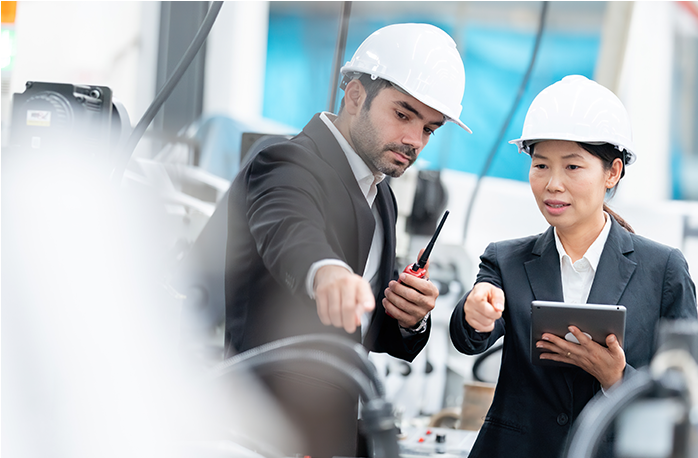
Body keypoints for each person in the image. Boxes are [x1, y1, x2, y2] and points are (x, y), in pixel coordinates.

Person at [224, 23, 471, 458]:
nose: (415, 141)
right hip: (266, 430)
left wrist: (408, 317)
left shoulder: (382, 196)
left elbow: (367, 328)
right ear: (355, 95)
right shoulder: (285, 161)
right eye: (403, 115)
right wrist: (327, 273)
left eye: (429, 129)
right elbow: (291, 229)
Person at [449, 75, 697, 458]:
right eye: (541, 165)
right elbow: (470, 340)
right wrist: (474, 313)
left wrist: (618, 378)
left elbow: (686, 390)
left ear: (612, 172)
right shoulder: (505, 260)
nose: (553, 184)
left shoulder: (662, 269)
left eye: (573, 167)